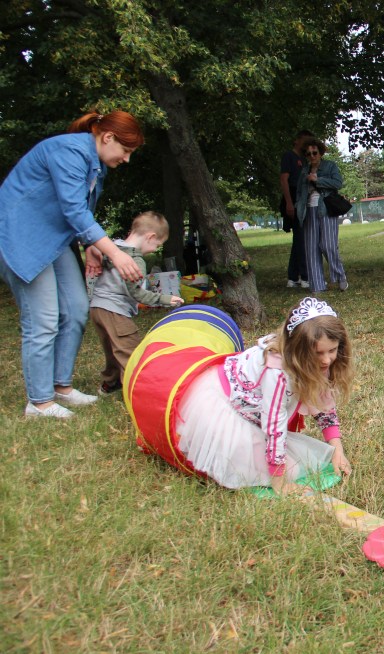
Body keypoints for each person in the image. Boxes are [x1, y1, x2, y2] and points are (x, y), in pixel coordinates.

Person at [0, 111, 145, 419]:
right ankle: (38, 403)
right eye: (126, 151)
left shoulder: (96, 163)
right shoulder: (68, 151)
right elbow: (74, 210)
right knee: (43, 319)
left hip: (54, 240)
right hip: (21, 237)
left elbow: (80, 214)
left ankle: (60, 386)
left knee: (77, 309)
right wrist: (115, 253)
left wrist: (91, 245)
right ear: (107, 138)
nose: (127, 159)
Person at [173, 297, 353, 494]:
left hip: (255, 412)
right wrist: (280, 483)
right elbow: (274, 425)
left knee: (299, 464)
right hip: (225, 409)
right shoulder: (277, 373)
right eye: (319, 353)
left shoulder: (316, 361)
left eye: (333, 350)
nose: (327, 359)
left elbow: (324, 403)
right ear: (298, 349)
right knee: (283, 471)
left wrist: (337, 450)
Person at [87, 211, 185, 396]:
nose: (155, 249)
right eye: (158, 244)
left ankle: (111, 383)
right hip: (115, 310)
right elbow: (137, 293)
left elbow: (95, 250)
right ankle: (139, 395)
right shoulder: (135, 260)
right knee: (130, 352)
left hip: (97, 308)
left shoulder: (112, 247)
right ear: (150, 237)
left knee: (112, 349)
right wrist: (164, 299)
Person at [295, 139, 347, 294]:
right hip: (308, 210)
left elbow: (338, 183)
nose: (312, 156)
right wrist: (298, 205)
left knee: (328, 245)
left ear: (321, 152)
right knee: (311, 249)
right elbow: (299, 191)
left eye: (314, 153)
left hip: (325, 208)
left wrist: (318, 180)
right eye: (308, 154)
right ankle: (317, 285)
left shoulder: (330, 166)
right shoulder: (304, 170)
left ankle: (340, 276)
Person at [281, 130, 312, 288]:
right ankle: (305, 276)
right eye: (305, 141)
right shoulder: (289, 157)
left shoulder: (305, 160)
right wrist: (288, 202)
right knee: (301, 238)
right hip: (293, 198)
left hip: (303, 198)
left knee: (299, 238)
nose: (307, 145)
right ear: (297, 140)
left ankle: (293, 277)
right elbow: (284, 180)